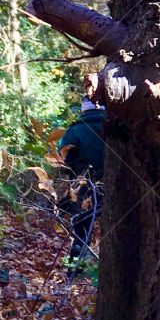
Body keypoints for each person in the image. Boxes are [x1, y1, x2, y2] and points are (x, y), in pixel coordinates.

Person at [57, 98, 105, 265]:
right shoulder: (117, 126)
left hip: (82, 190)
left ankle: (73, 273)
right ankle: (102, 271)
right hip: (114, 189)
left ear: (84, 110)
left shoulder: (74, 131)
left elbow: (62, 160)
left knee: (80, 232)